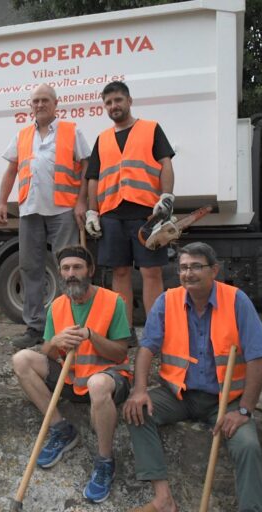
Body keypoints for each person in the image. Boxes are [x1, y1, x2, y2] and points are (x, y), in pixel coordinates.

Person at [123, 242, 262, 512]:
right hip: (179, 395)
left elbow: (259, 357)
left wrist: (244, 410)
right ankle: (163, 500)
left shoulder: (236, 299)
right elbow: (147, 347)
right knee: (137, 412)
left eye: (196, 266)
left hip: (227, 399)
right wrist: (139, 390)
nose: (188, 273)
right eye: (183, 267)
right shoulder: (167, 300)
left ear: (214, 270)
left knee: (248, 445)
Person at [12, 245, 132, 504]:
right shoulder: (57, 305)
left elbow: (120, 354)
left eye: (77, 267)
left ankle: (104, 461)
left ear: (90, 270)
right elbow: (48, 354)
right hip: (72, 378)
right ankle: (61, 429)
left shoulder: (113, 301)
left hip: (107, 378)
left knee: (98, 384)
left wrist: (92, 336)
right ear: (59, 273)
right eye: (66, 268)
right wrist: (55, 341)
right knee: (22, 359)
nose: (71, 273)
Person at [0, 84, 92, 349]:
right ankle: (35, 327)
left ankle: (69, 323)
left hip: (63, 209)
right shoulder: (23, 135)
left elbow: (87, 166)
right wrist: (3, 202)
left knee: (69, 266)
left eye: (45, 100)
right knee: (30, 267)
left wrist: (82, 201)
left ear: (55, 104)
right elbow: (11, 170)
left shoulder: (72, 131)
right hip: (30, 210)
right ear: (31, 106)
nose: (40, 105)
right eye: (36, 101)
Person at [84, 81, 175, 340]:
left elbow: (165, 163)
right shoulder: (102, 139)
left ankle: (156, 333)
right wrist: (93, 212)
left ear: (129, 101)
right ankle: (125, 333)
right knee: (120, 272)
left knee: (151, 272)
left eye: (118, 101)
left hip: (146, 213)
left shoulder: (151, 129)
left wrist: (166, 197)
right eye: (109, 103)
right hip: (112, 214)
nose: (114, 106)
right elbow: (93, 177)